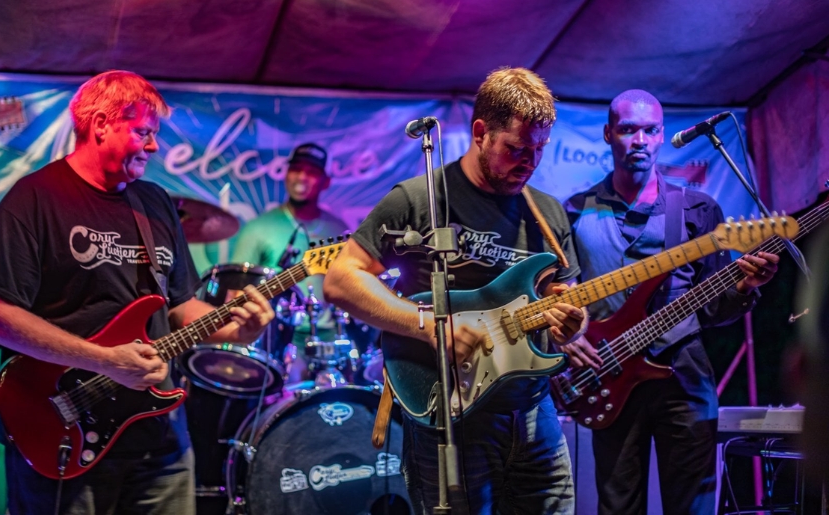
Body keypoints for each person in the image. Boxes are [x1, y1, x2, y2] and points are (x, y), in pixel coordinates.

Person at [0, 70, 275, 515]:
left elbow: (178, 307)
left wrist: (233, 329)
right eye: (144, 133)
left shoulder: (154, 204)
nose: (154, 146)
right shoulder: (35, 198)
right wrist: (105, 360)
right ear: (101, 125)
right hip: (63, 427)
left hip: (159, 439)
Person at [323, 67, 586, 514]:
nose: (530, 162)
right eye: (517, 149)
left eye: (540, 150)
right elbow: (341, 279)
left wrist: (572, 326)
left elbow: (568, 299)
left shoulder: (547, 213)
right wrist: (428, 325)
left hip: (534, 413)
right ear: (481, 132)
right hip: (450, 411)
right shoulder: (419, 198)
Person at [563, 89, 779, 515]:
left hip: (683, 377)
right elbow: (563, 303)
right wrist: (567, 342)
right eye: (628, 130)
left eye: (649, 130)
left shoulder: (697, 209)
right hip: (610, 377)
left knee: (693, 506)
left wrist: (742, 287)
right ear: (609, 134)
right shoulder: (574, 211)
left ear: (662, 136)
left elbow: (713, 309)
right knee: (617, 506)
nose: (639, 140)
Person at [230, 143, 349, 382]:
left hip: (330, 339)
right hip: (276, 341)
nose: (302, 177)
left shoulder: (339, 230)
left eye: (312, 172)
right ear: (285, 174)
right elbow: (234, 294)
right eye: (296, 169)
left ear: (325, 181)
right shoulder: (258, 228)